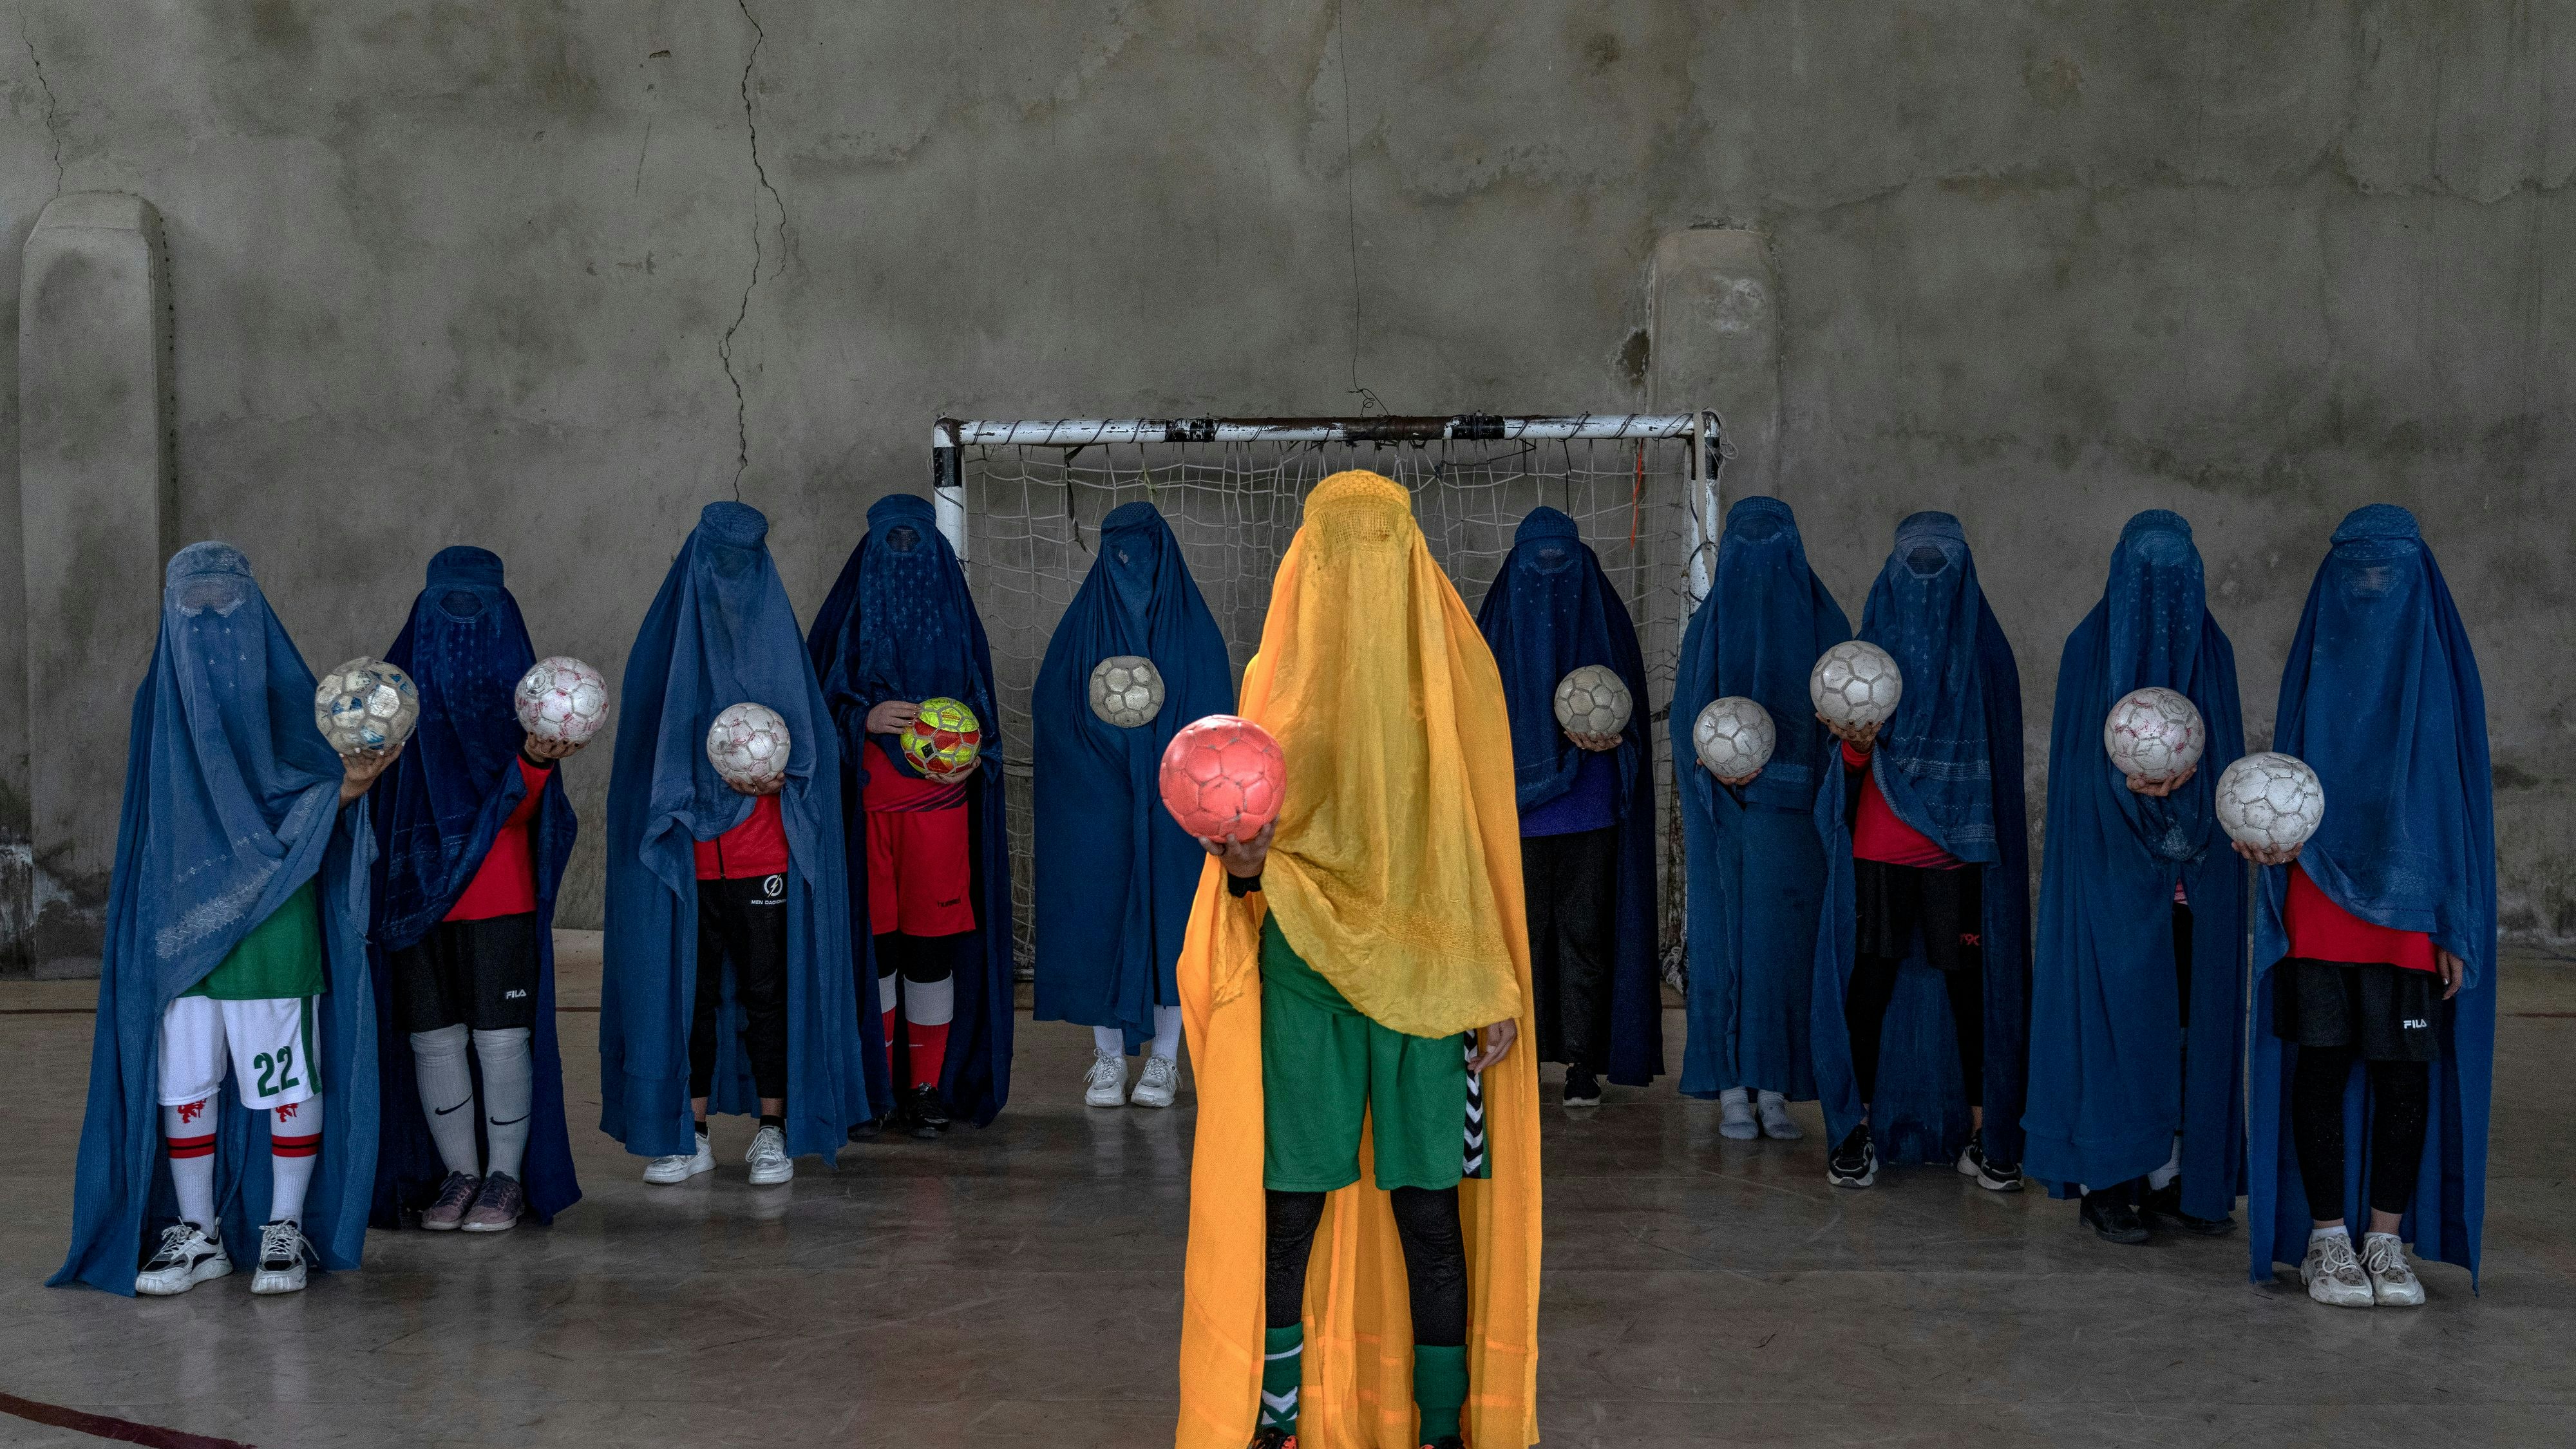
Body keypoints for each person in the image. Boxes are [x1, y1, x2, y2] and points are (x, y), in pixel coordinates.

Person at [1173, 470, 1540, 1449]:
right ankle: (1280, 1420)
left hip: (1431, 985)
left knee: (1429, 1216)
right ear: (1311, 560)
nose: (1361, 569)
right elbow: (1253, 866)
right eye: (1344, 548)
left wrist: (1492, 980)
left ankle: (1440, 1427)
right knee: (1291, 1206)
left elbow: (1479, 848)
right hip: (1307, 978)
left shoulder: (1457, 680)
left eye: (1380, 545)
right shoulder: (1270, 686)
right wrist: (1246, 869)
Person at [53, 542, 390, 1297]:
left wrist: (351, 787)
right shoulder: (158, 702)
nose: (209, 622)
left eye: (227, 607)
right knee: (185, 1084)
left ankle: (286, 1227)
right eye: (192, 606)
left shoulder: (292, 697)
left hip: (274, 920)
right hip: (180, 926)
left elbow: (315, 791)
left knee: (285, 1077)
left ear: (256, 612)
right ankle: (199, 1234)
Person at [2246, 504, 2493, 1309]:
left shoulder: (2443, 678)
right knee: (2318, 1067)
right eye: (2356, 571)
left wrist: (2455, 921)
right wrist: (2262, 845)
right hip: (2318, 894)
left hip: (2412, 908)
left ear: (2419, 579)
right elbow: (2275, 791)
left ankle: (2385, 1242)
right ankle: (2326, 1240)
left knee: (2403, 1076)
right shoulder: (2315, 666)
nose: (2373, 586)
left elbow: (2459, 808)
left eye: (2389, 570)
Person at [601, 502, 871, 1185]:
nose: (730, 579)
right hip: (685, 861)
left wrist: (792, 776)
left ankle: (773, 1130)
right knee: (687, 994)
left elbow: (816, 751)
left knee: (766, 993)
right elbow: (642, 758)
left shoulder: (779, 646)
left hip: (765, 856)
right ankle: (686, 1133)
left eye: (744, 563)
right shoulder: (664, 649)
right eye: (718, 561)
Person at [2024, 512, 2245, 1244]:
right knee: (2113, 1025)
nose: (2162, 597)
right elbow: (2077, 784)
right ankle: (2107, 1177)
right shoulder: (2088, 650)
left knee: (2185, 1027)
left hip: (2197, 883)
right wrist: (2131, 792)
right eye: (2147, 576)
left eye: (2177, 578)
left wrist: (2188, 794)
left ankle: (2175, 1172)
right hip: (2110, 885)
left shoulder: (2212, 653)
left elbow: (2231, 775)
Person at [1810, 512, 2031, 1192]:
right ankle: (1855, 1132)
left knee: (1971, 990)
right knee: (1868, 984)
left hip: (1958, 854)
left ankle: (1985, 1137)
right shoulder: (1864, 654)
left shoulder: (1988, 655)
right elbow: (1845, 769)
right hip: (1879, 850)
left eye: (1943, 565)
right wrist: (1853, 744)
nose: (1927, 580)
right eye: (1914, 565)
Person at [368, 546, 585, 1234]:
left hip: (500, 892)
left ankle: (506, 1179)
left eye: (479, 606)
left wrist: (534, 764)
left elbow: (525, 813)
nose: (461, 620)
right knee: (431, 1038)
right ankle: (459, 1174)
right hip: (413, 897)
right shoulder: (390, 703)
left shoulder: (529, 703)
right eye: (445, 605)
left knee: (500, 1039)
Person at [808, 493, 1015, 1137]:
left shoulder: (956, 616)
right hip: (866, 820)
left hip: (940, 819)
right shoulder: (846, 618)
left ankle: (926, 1087)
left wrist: (973, 753)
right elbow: (813, 713)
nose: (905, 557)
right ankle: (878, 1084)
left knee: (931, 953)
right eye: (891, 543)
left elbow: (989, 724)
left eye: (917, 543)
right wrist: (860, 719)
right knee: (876, 953)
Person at [1028, 502, 1232, 1108]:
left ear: (1164, 555)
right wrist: (1109, 757)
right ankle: (1108, 1060)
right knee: (1099, 917)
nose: (1130, 564)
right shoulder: (1081, 628)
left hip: (1174, 809)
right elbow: (1054, 712)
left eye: (1142, 551)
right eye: (1117, 552)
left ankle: (1166, 1062)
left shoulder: (1195, 632)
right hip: (1099, 806)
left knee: (1170, 920)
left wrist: (1164, 765)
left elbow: (1214, 717)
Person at [1674, 496, 1851, 1139]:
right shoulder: (1708, 630)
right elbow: (1683, 726)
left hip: (1796, 825)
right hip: (1722, 823)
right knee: (1724, 952)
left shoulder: (1826, 626)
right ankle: (1727, 1088)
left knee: (1782, 956)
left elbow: (1847, 728)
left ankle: (1774, 1090)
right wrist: (1712, 770)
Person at [1473, 506, 1662, 1106]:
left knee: (1586, 938)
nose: (1551, 575)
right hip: (1517, 814)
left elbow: (1634, 715)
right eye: (1538, 562)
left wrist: (1616, 740)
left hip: (1591, 809)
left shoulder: (1607, 621)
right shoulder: (1493, 629)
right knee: (1519, 940)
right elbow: (1473, 721)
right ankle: (1518, 1061)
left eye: (1564, 561)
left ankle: (1583, 1064)